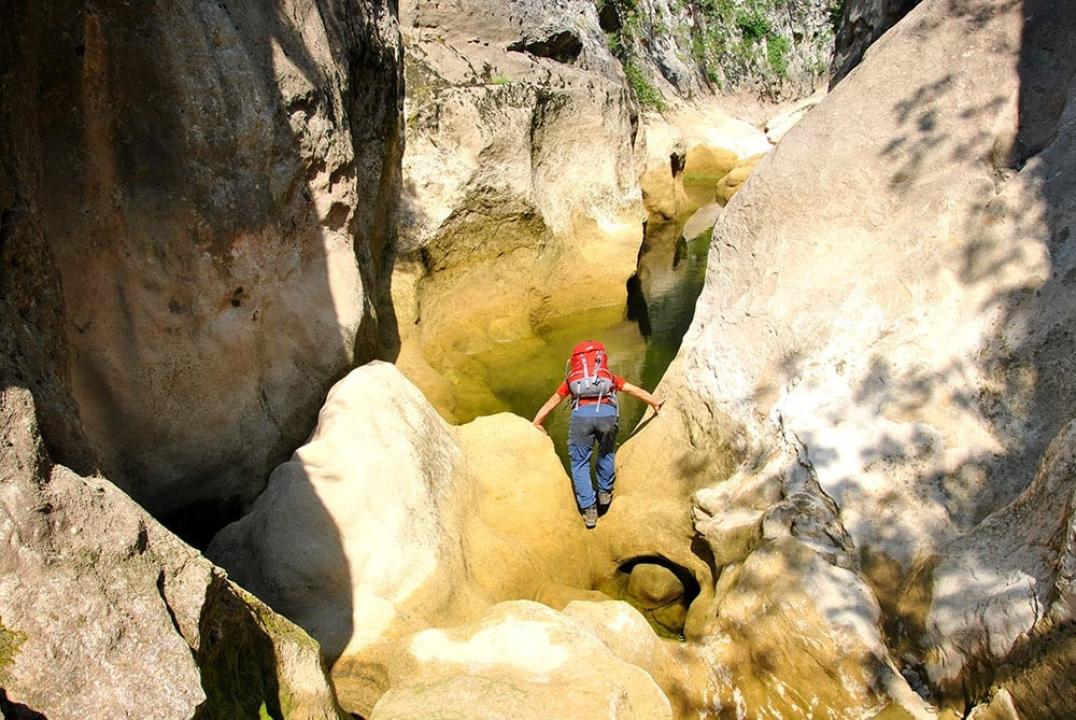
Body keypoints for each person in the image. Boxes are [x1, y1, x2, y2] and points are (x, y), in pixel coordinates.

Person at [532, 341, 664, 529]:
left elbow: (552, 402)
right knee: (606, 453)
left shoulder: (572, 380)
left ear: (576, 361)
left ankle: (589, 511)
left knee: (579, 463)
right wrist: (654, 402)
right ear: (601, 359)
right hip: (607, 417)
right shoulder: (608, 376)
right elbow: (632, 390)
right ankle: (605, 495)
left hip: (581, 419)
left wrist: (537, 422)